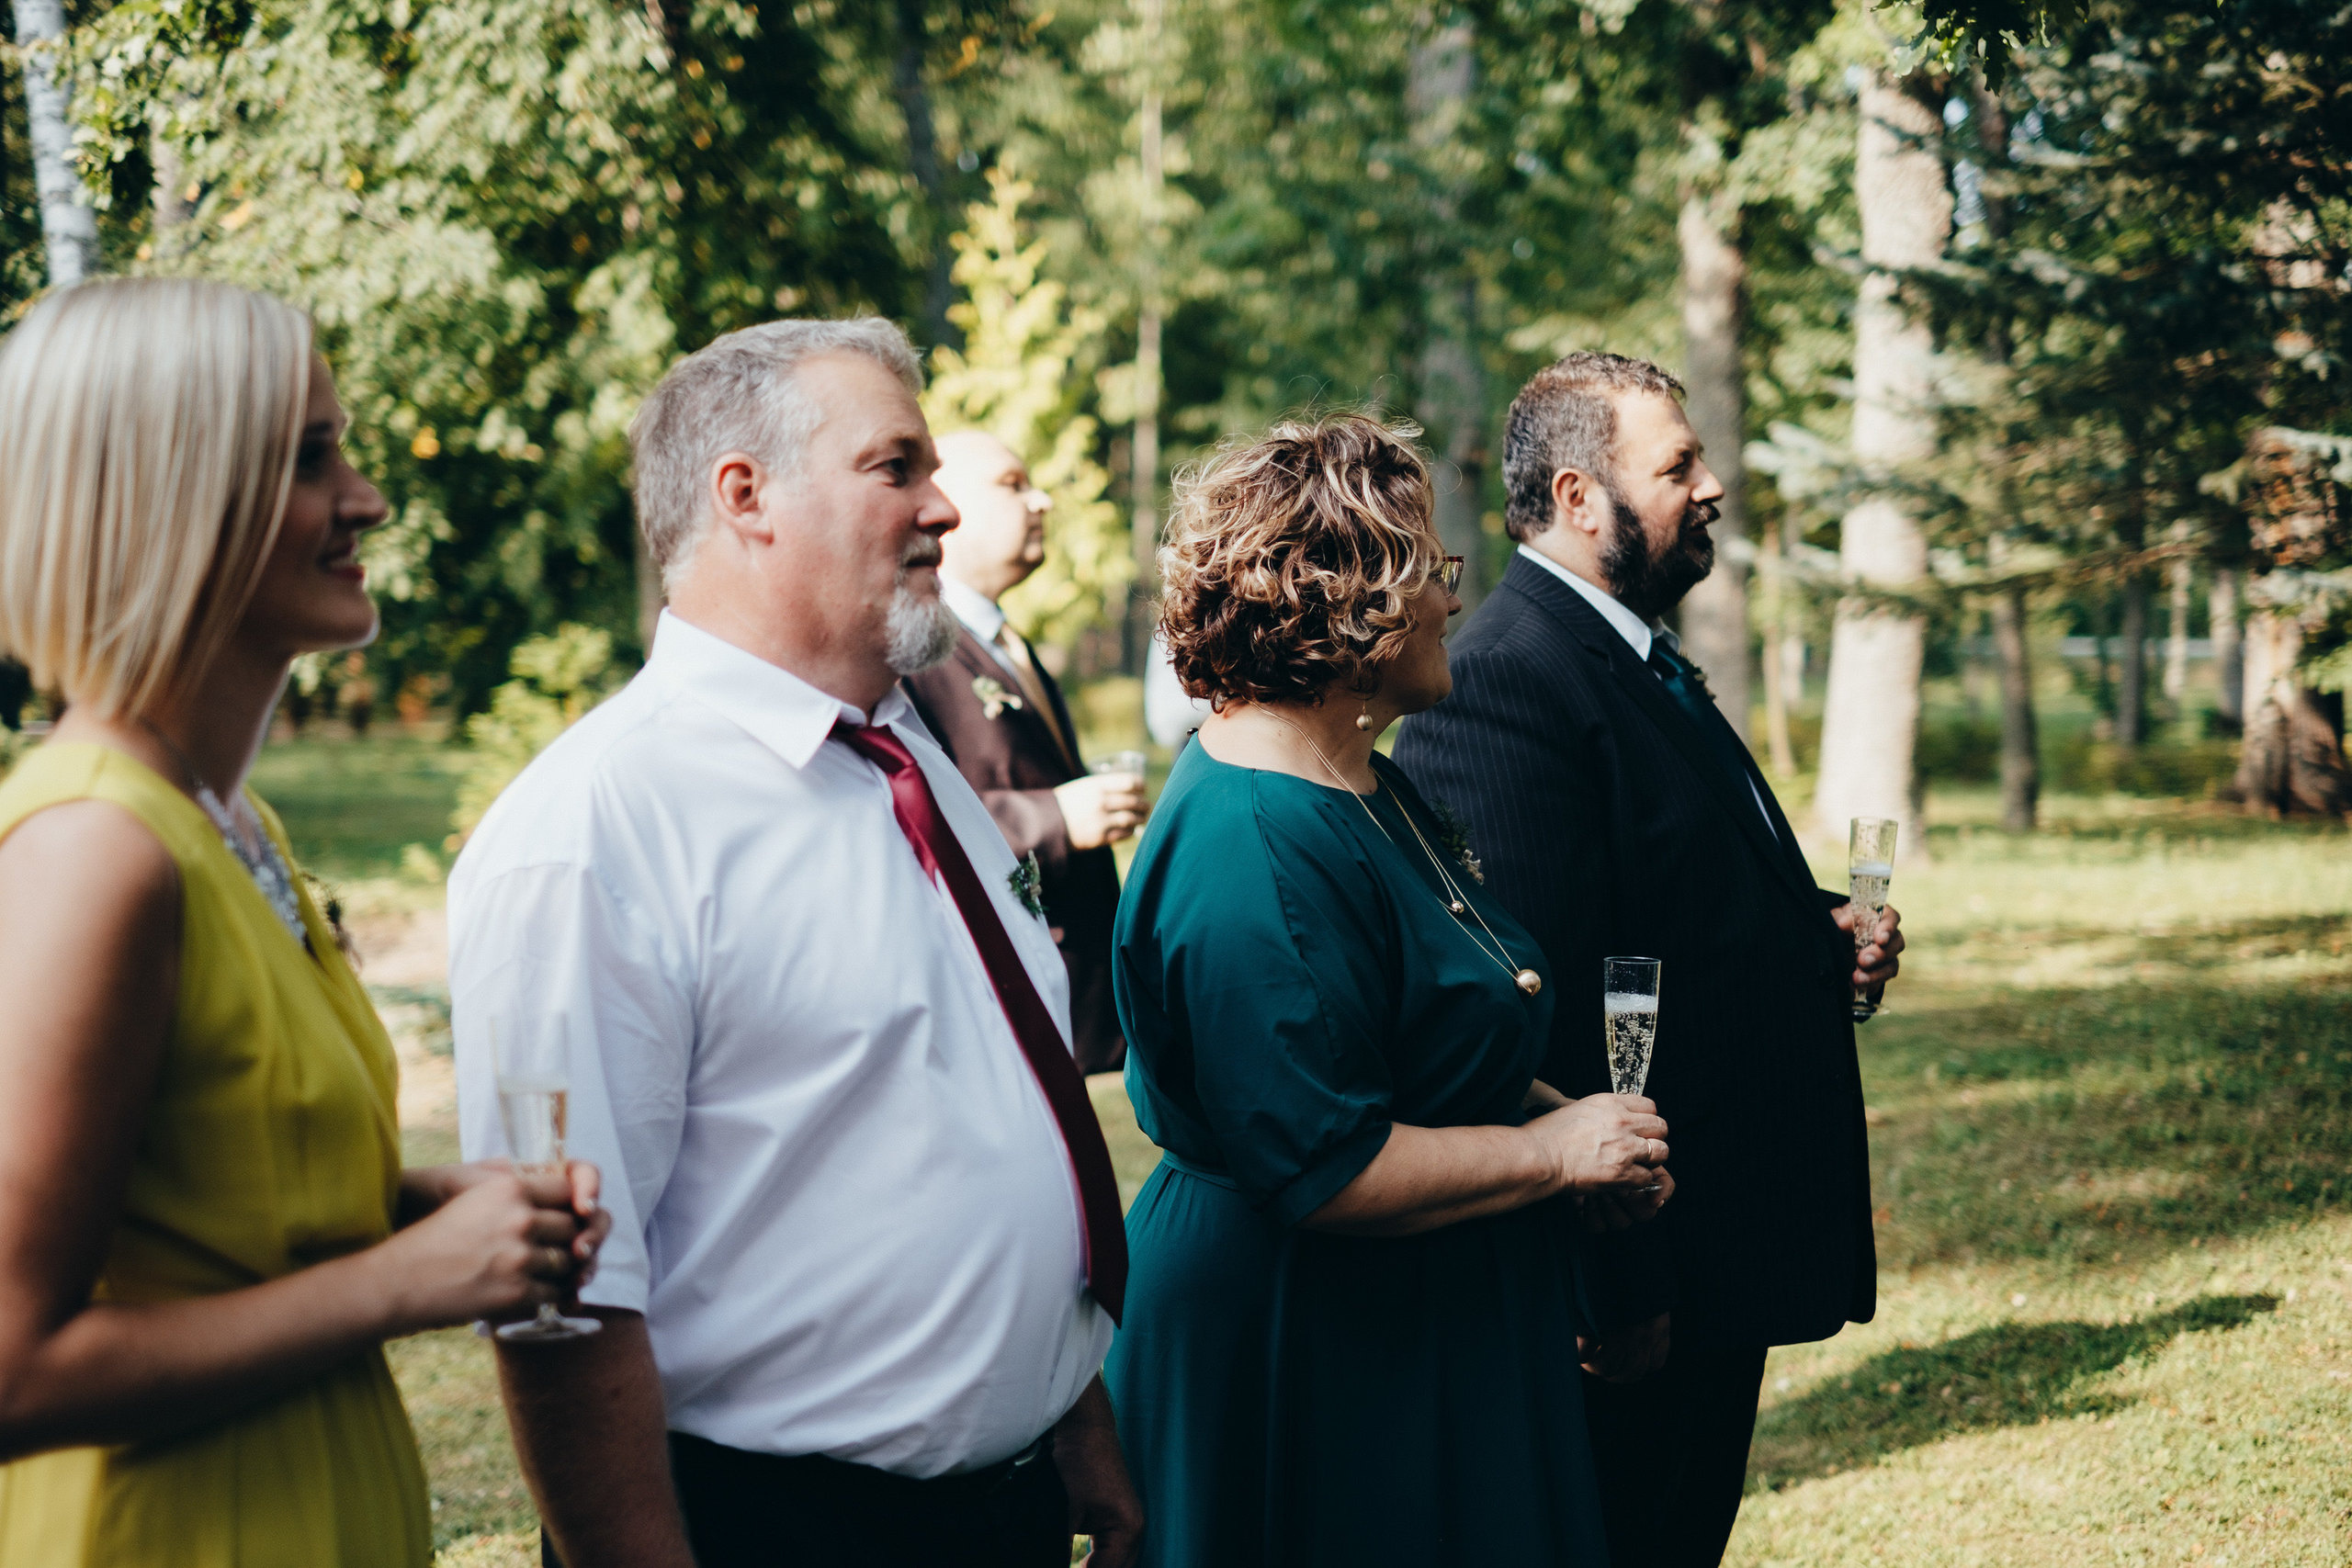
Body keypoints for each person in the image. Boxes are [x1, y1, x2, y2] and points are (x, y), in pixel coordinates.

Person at [448, 318, 1143, 1568]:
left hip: (1008, 1500)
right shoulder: (599, 828)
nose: (940, 508)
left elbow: (986, 1103)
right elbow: (560, 1298)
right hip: (777, 1524)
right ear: (745, 495)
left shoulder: (907, 759)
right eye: (897, 467)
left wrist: (1068, 1404)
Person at [0, 278, 605, 1567]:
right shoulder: (96, 854)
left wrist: (415, 1205)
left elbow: (190, 1196)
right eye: (311, 458)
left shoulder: (232, 822)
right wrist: (408, 1279)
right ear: (171, 497)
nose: (369, 501)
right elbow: (13, 1364)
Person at [1105, 413, 1675, 1568]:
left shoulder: (1356, 771)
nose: (1450, 599)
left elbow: (1428, 1032)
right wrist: (1556, 1152)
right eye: (1429, 568)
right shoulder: (1254, 844)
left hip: (1417, 1314)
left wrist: (1576, 1130)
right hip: (1302, 1342)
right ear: (1345, 599)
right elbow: (1324, 1165)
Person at [1393, 352, 1907, 1568]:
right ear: (1579, 496)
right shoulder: (1510, 678)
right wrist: (1616, 1279)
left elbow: (1658, 897)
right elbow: (1538, 1010)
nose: (1711, 485)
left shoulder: (1633, 650)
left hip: (1717, 1236)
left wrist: (1810, 928)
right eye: (1676, 465)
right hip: (1645, 1266)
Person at [900, 429, 1143, 1073]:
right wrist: (1059, 819)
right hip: (1006, 998)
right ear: (943, 505)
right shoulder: (912, 653)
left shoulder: (1005, 637)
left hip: (1077, 990)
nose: (1041, 501)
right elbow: (916, 820)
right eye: (1011, 485)